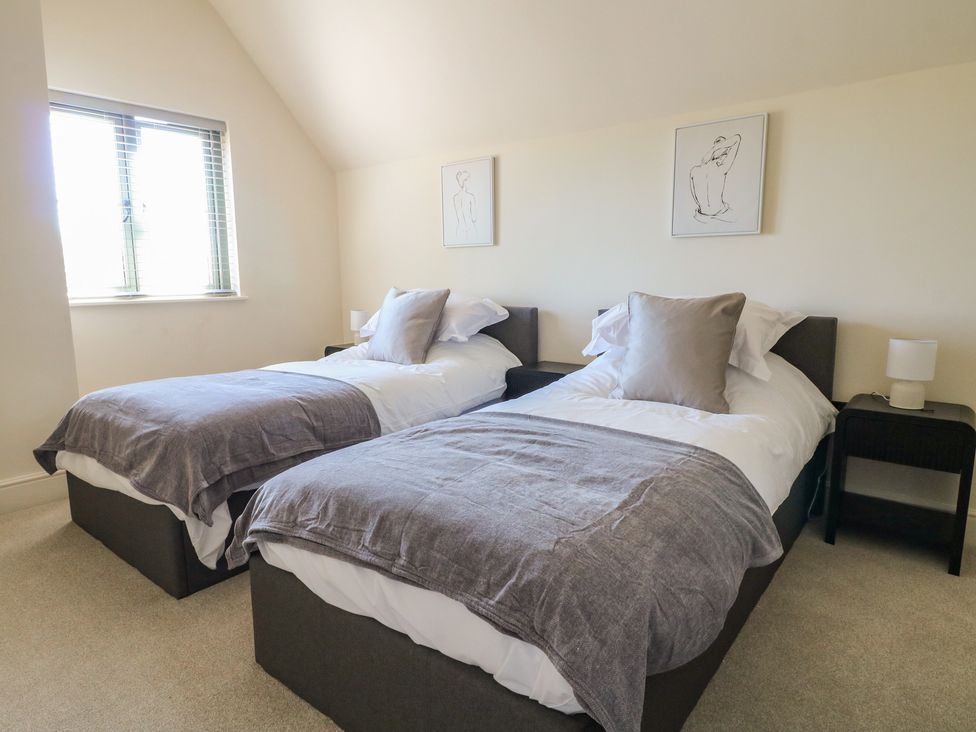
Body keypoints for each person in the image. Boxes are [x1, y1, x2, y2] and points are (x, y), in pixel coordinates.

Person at [689, 133, 740, 223]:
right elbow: (737, 139)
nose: (726, 151)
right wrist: (716, 148)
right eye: (724, 147)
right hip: (721, 214)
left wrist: (715, 149)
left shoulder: (694, 171)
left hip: (702, 214)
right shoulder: (721, 168)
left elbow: (696, 200)